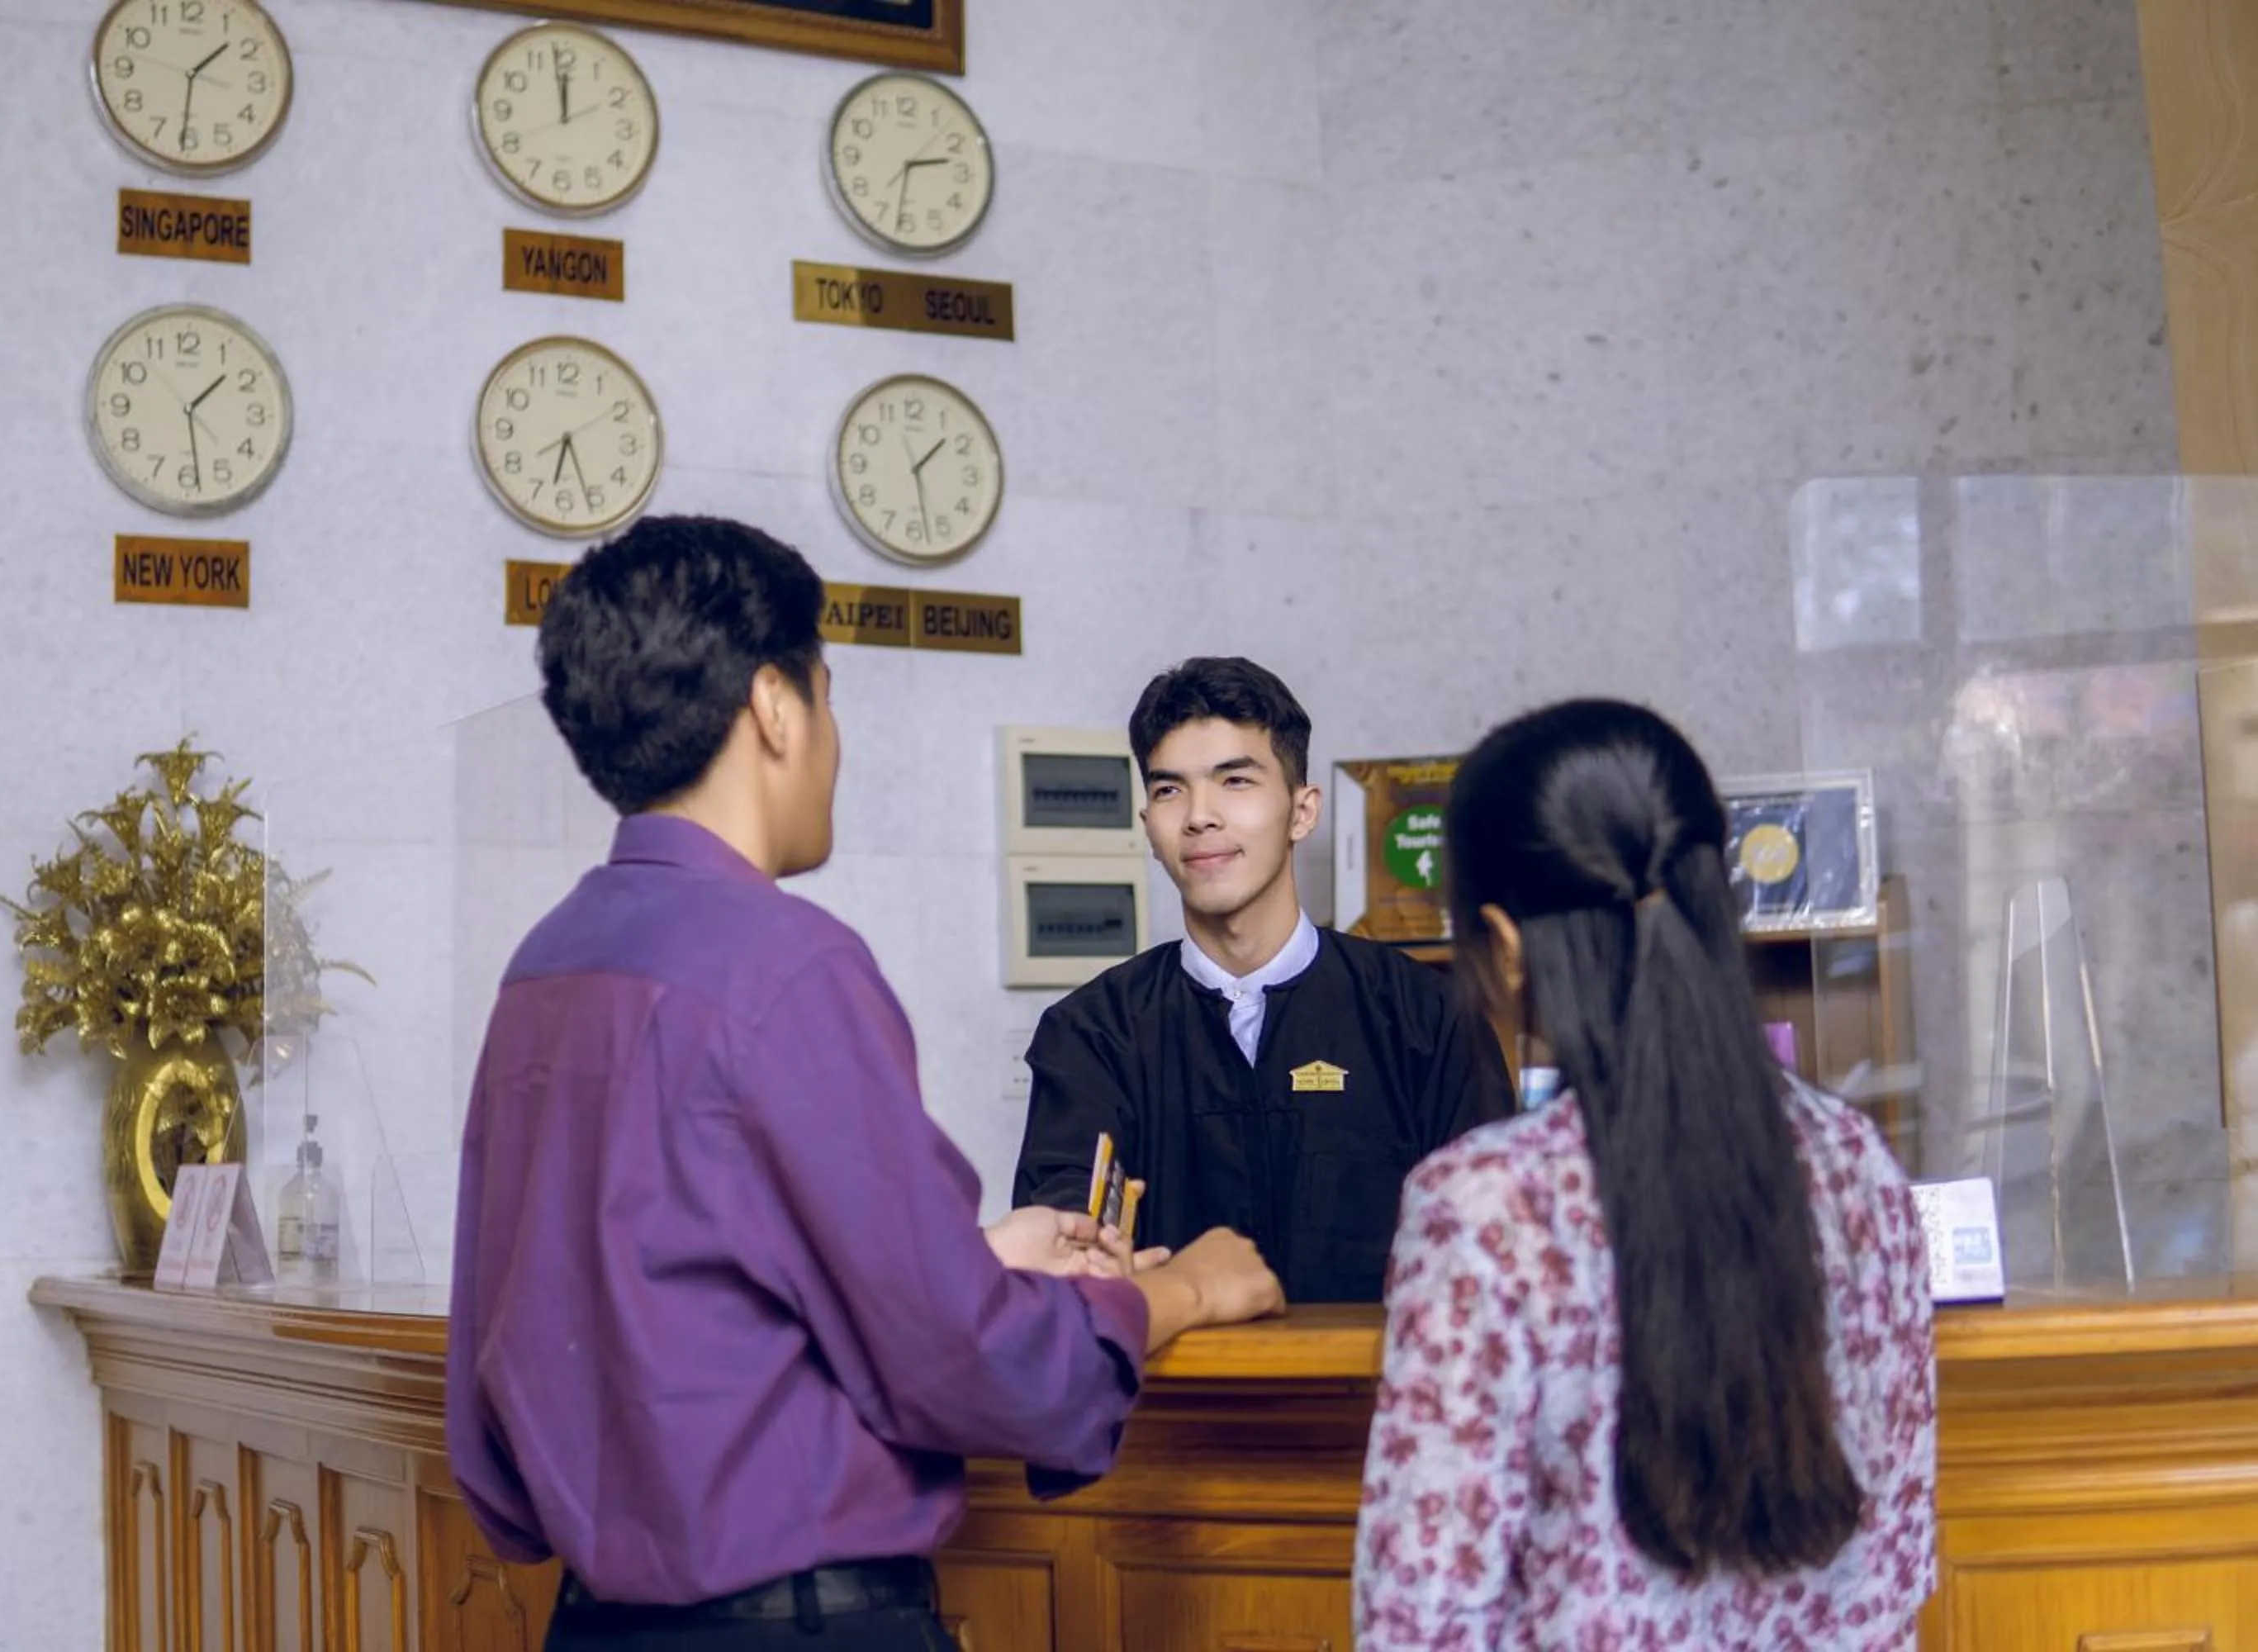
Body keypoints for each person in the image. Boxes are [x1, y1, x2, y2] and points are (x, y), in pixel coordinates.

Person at [445, 518, 1283, 1652]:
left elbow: (634, 1308)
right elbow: (968, 1365)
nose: (835, 743)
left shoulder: (546, 965)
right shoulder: (784, 965)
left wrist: (972, 1255)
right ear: (777, 708)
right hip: (795, 1625)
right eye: (828, 699)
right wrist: (1175, 1292)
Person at [1352, 699, 1936, 1650]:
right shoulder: (1858, 1165)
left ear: (1502, 944)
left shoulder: (1489, 1207)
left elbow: (1420, 1615)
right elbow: (1896, 1562)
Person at [1012, 657, 1513, 1303]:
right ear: (1149, 829)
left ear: (1302, 812)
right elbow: (1067, 1258)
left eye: (1235, 781)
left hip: (1380, 1396)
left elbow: (1499, 1247)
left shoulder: (1426, 1016)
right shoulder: (1092, 1035)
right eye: (1169, 790)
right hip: (1169, 1399)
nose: (1199, 816)